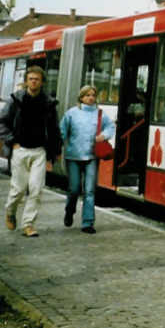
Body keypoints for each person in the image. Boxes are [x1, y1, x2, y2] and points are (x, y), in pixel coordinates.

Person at [0, 65, 63, 238]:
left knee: (36, 189)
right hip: (20, 149)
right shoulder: (15, 100)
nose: (34, 82)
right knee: (18, 189)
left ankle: (28, 224)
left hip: (39, 151)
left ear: (42, 82)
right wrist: (12, 142)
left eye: (37, 79)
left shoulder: (48, 103)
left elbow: (54, 128)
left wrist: (55, 151)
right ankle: (10, 211)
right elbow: (2, 122)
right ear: (26, 81)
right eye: (31, 79)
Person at [60, 85, 115, 234]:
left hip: (92, 157)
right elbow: (62, 131)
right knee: (74, 189)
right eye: (87, 95)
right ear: (81, 97)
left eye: (93, 95)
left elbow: (110, 127)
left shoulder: (100, 114)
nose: (90, 98)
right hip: (73, 156)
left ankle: (88, 223)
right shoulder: (71, 113)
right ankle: (69, 210)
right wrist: (56, 148)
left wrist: (104, 135)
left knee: (90, 190)